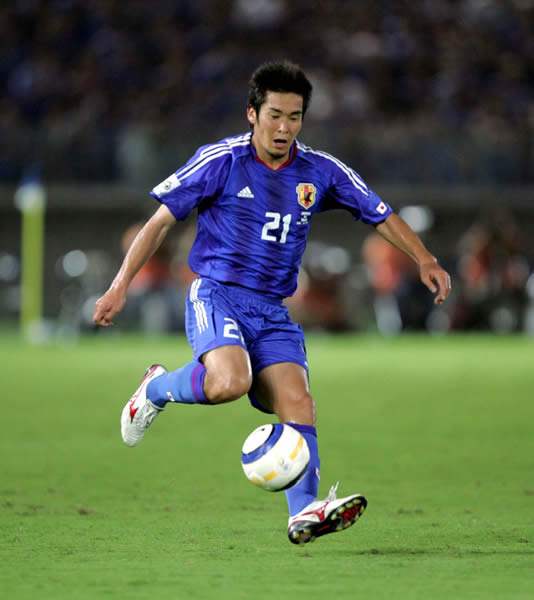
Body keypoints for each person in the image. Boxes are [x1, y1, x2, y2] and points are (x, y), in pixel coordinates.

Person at [93, 61, 451, 545]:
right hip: (217, 293)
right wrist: (120, 285)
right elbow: (158, 222)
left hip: (273, 311)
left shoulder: (320, 170)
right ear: (252, 114)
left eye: (294, 117)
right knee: (229, 382)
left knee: (298, 401)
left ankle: (303, 514)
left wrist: (425, 258)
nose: (284, 127)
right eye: (275, 115)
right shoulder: (221, 160)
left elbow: (379, 212)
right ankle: (156, 389)